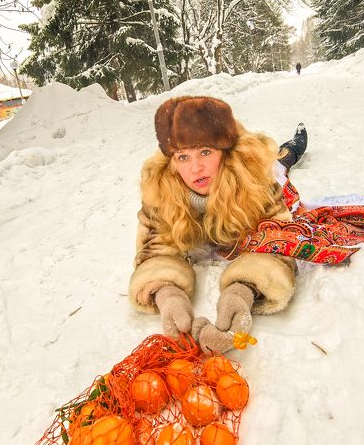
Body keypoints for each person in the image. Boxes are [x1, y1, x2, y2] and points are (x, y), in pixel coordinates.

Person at [129, 96, 307, 351]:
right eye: (183, 157)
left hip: (259, 173)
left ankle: (295, 145)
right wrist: (167, 294)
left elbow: (278, 240)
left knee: (282, 161)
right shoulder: (161, 189)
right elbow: (154, 249)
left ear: (225, 151)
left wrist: (243, 292)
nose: (195, 169)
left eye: (205, 152)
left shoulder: (256, 181)